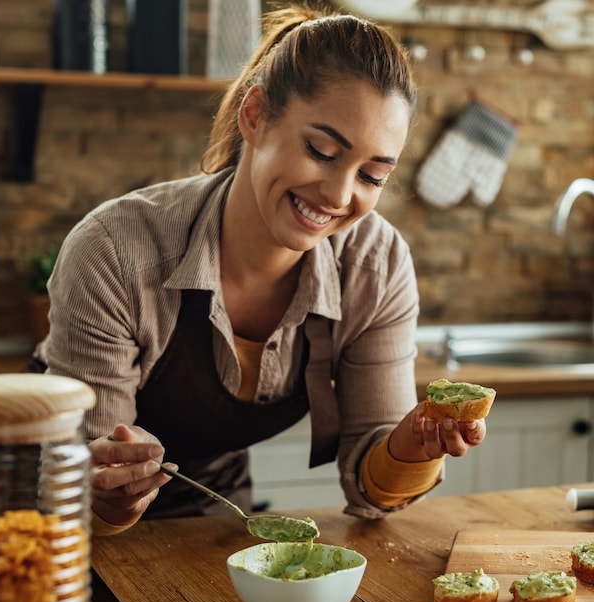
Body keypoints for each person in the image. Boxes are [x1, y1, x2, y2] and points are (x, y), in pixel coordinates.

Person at [34, 4, 487, 535]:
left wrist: (411, 445)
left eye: (372, 175)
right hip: (60, 524)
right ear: (255, 116)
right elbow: (80, 486)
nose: (340, 195)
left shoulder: (375, 265)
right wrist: (113, 488)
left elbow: (374, 489)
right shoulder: (115, 250)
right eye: (321, 151)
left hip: (214, 514)